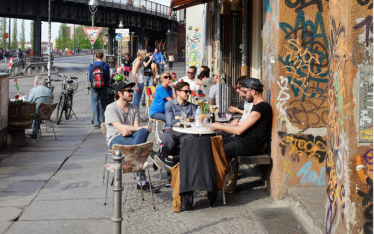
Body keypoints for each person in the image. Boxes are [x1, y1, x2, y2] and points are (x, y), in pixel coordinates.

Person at [104, 82, 159, 192]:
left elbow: (136, 128)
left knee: (142, 132)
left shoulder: (133, 108)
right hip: (115, 140)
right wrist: (135, 129)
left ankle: (142, 174)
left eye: (132, 91)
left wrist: (129, 132)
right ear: (119, 93)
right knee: (141, 137)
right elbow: (119, 127)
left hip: (131, 137)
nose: (131, 93)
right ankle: (142, 177)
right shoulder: (111, 108)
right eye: (128, 91)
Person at [152, 82, 198, 169]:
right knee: (170, 143)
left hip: (186, 132)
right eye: (186, 91)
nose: (188, 94)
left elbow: (196, 121)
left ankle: (166, 159)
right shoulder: (169, 104)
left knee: (189, 143)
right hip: (171, 130)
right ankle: (166, 163)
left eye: (189, 92)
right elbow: (170, 122)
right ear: (178, 92)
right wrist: (186, 119)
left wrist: (178, 118)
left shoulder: (192, 106)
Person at [89, 51, 110, 129]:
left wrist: (93, 84)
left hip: (94, 87)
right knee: (103, 103)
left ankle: (96, 123)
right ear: (102, 56)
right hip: (103, 86)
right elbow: (107, 76)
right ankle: (102, 121)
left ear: (95, 56)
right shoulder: (106, 65)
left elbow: (90, 79)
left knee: (94, 103)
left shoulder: (92, 65)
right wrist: (105, 83)